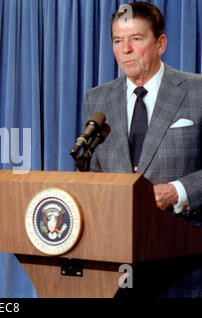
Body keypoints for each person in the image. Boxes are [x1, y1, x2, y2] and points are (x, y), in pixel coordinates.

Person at [80, 2, 201, 297]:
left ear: (160, 43)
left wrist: (178, 191)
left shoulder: (197, 92)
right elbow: (90, 172)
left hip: (185, 260)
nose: (126, 49)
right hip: (115, 264)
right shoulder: (97, 99)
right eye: (118, 41)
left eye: (136, 39)